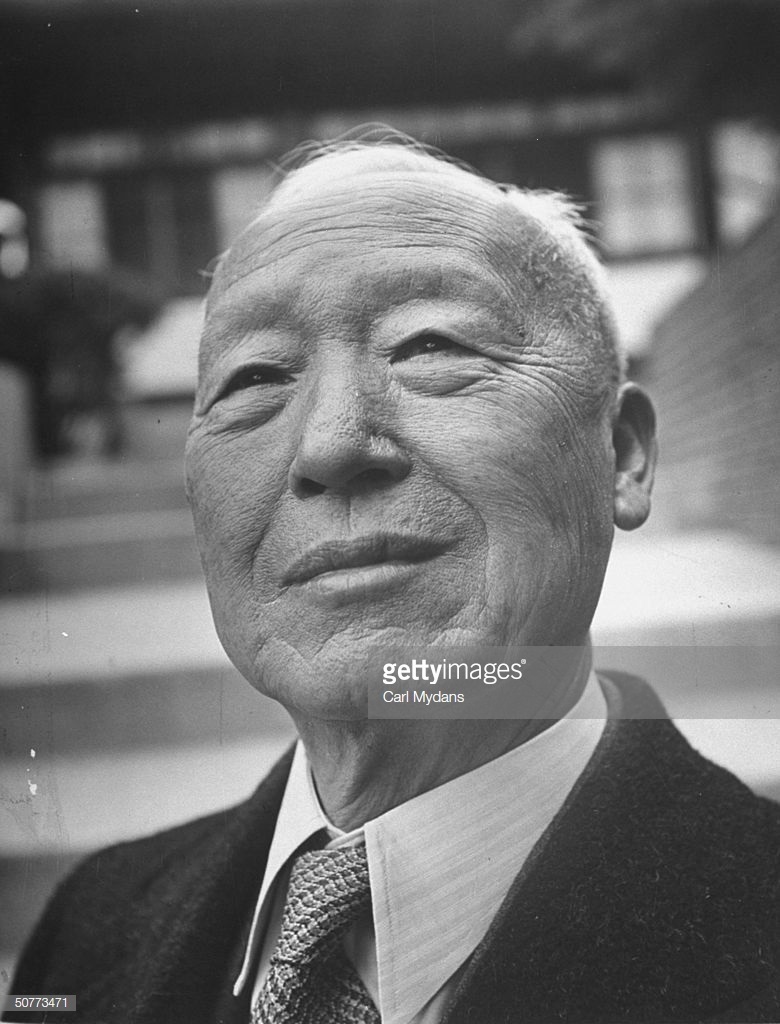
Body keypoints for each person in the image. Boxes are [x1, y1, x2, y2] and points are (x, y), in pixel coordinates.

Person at [7, 134, 780, 1024]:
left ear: (624, 455)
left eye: (428, 345)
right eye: (254, 377)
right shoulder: (86, 929)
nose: (332, 443)